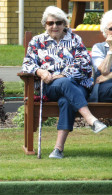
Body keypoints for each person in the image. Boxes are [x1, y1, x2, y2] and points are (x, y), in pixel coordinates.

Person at [22, 6, 107, 159]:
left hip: (78, 86)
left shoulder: (74, 40)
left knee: (66, 99)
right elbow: (27, 64)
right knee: (64, 84)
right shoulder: (37, 41)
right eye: (50, 23)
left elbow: (84, 63)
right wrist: (40, 72)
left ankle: (58, 149)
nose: (54, 26)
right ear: (45, 24)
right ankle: (91, 119)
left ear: (64, 24)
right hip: (50, 86)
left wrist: (62, 75)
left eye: (59, 23)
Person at [91, 10, 112, 102]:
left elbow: (107, 75)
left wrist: (109, 76)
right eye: (111, 29)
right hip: (105, 87)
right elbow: (104, 71)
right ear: (105, 31)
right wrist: (111, 49)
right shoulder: (98, 48)